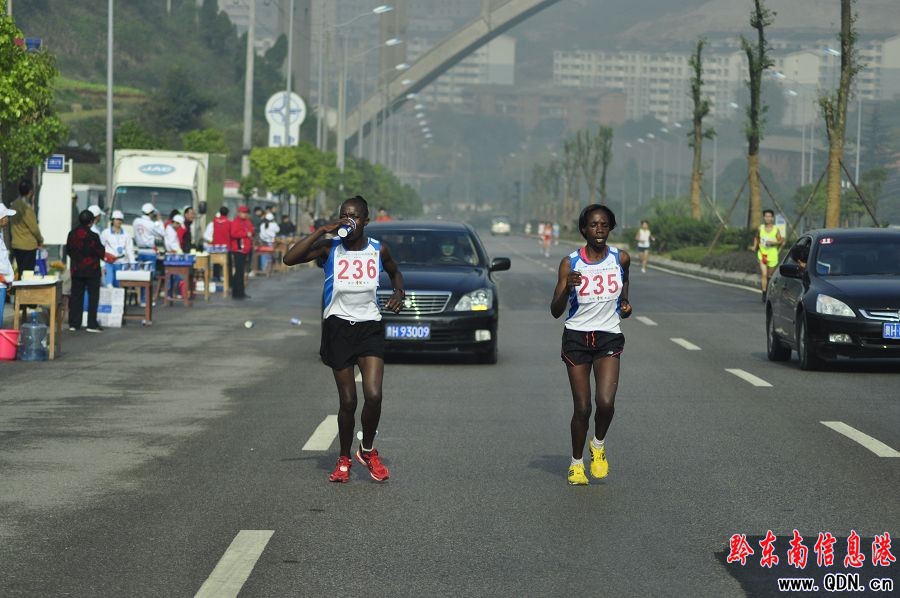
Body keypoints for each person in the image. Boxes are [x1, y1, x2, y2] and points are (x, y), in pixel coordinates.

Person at [282, 195, 405, 483]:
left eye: (355, 216)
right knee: (348, 401)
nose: (349, 220)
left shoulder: (378, 249)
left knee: (374, 395)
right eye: (344, 215)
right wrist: (321, 231)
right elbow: (289, 259)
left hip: (369, 326)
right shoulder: (330, 248)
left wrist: (399, 293)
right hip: (338, 327)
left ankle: (367, 451)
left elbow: (395, 272)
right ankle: (344, 458)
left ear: (366, 221)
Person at [550, 204, 632, 486]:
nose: (599, 230)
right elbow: (555, 310)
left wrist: (624, 303)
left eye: (604, 225)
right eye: (594, 225)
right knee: (583, 407)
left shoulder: (621, 258)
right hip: (577, 337)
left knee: (605, 403)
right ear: (583, 229)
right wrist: (567, 287)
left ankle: (598, 444)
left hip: (608, 335)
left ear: (610, 228)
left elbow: (625, 281)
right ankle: (576, 464)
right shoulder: (570, 263)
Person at [66, 210, 106, 333]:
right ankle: (91, 324)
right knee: (93, 297)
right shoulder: (93, 236)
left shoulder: (72, 234)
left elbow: (68, 250)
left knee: (76, 296)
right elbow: (101, 252)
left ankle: (74, 323)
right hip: (92, 270)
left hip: (77, 269)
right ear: (91, 221)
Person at [132, 203, 164, 305]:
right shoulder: (152, 224)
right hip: (150, 252)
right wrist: (159, 220)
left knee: (142, 276)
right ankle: (146, 300)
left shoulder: (136, 221)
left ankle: (142, 299)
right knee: (149, 277)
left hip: (140, 251)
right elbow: (162, 233)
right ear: (151, 213)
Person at [10, 180, 43, 277]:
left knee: (20, 271)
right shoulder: (26, 208)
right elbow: (34, 228)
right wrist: (40, 239)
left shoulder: (14, 205)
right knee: (27, 274)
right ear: (30, 192)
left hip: (16, 244)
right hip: (28, 245)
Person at [750, 209, 784, 302]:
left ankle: (768, 288)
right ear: (763, 217)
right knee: (764, 274)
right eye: (766, 216)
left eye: (769, 216)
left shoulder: (776, 229)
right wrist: (754, 246)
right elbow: (756, 237)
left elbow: (781, 241)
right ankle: (764, 293)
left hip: (772, 255)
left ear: (772, 218)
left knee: (769, 275)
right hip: (762, 254)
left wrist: (773, 243)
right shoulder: (760, 228)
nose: (767, 218)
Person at [99, 210, 135, 287]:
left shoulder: (126, 235)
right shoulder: (105, 233)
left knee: (119, 286)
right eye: (117, 219)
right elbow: (100, 248)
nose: (119, 221)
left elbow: (130, 250)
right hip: (109, 263)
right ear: (113, 220)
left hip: (122, 263)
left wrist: (132, 263)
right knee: (109, 285)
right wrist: (102, 264)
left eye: (120, 219)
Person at [230, 205, 254, 299]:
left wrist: (250, 233)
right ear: (239, 213)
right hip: (238, 249)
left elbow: (251, 231)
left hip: (245, 249)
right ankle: (239, 292)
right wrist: (245, 234)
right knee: (239, 271)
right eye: (243, 212)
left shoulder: (247, 222)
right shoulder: (236, 222)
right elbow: (233, 234)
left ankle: (237, 291)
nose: (244, 214)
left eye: (246, 213)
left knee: (240, 271)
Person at [0, 203, 17, 323]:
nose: (7, 219)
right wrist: (5, 278)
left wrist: (9, 278)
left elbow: (4, 259)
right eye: (5, 216)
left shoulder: (1, 235)